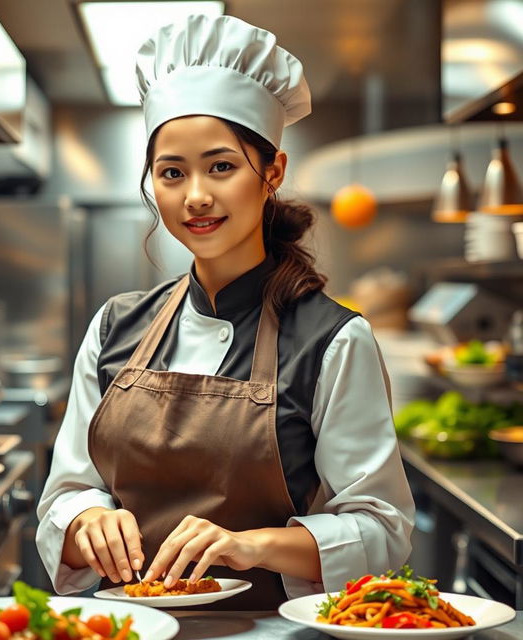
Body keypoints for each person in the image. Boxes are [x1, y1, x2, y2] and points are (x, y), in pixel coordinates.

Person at [36, 13, 414, 610]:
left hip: (267, 627)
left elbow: (382, 528)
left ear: (272, 173)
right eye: (171, 173)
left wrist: (253, 546)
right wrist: (85, 523)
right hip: (120, 625)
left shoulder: (332, 339)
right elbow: (66, 494)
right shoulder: (115, 327)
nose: (195, 197)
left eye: (221, 166)